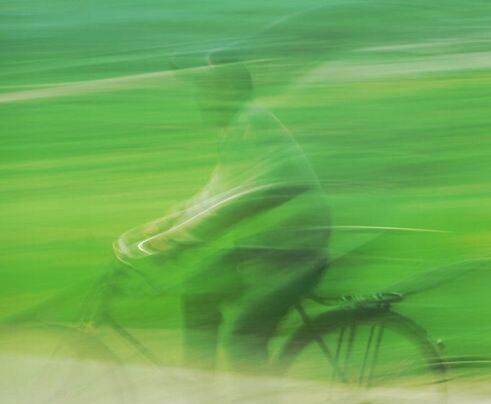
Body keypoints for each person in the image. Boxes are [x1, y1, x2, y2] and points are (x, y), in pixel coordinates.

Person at [113, 53, 331, 372]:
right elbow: (214, 195)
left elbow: (242, 201)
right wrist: (160, 227)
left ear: (232, 90)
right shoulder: (236, 128)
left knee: (244, 339)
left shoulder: (252, 124)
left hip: (291, 254)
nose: (201, 100)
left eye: (209, 91)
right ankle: (200, 391)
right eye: (201, 91)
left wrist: (174, 240)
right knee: (198, 290)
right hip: (262, 248)